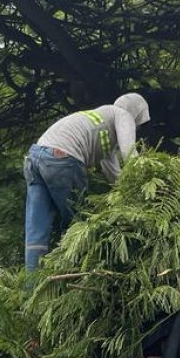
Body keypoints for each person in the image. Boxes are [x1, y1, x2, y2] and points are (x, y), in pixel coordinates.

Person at [24, 93, 151, 270]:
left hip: (35, 159)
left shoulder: (102, 126)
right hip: (62, 159)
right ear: (136, 113)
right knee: (79, 224)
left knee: (36, 230)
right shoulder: (123, 114)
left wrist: (127, 195)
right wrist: (146, 184)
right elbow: (129, 154)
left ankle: (31, 283)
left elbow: (115, 176)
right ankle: (74, 271)